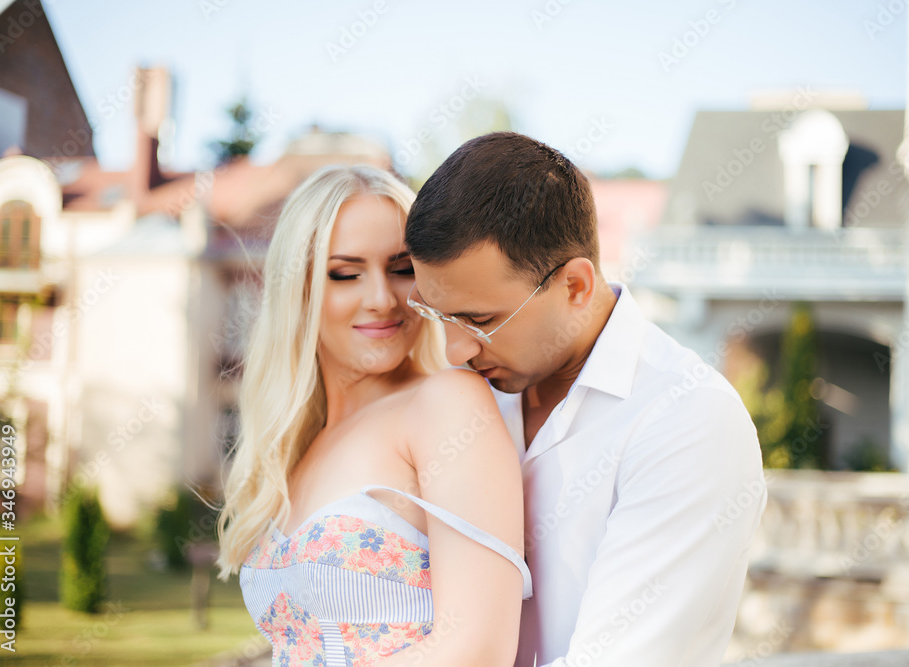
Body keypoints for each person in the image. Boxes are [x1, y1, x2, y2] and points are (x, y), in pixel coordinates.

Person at [404, 132, 767, 666]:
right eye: (438, 315)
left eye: (478, 320)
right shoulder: (462, 400)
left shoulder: (688, 422)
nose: (455, 350)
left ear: (575, 285)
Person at [215, 164, 531, 666]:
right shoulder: (299, 443)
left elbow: (478, 649)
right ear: (298, 289)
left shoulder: (445, 404)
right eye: (346, 274)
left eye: (402, 269)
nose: (382, 299)